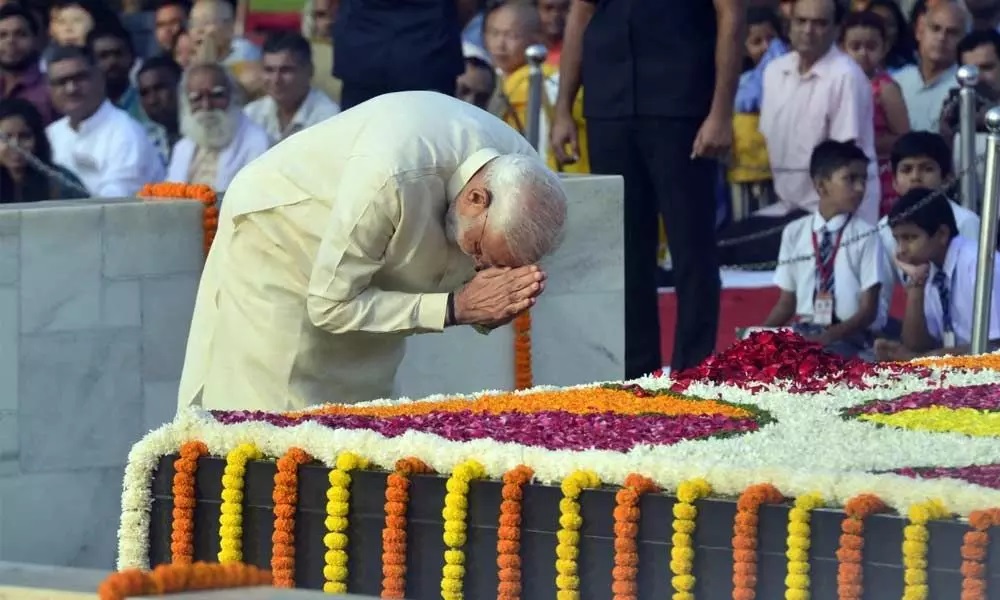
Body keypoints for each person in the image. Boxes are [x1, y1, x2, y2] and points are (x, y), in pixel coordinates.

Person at [176, 91, 567, 412]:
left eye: (497, 264)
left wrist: (495, 302)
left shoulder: (525, 175)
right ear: (476, 198)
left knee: (362, 415)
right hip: (284, 237)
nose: (479, 266)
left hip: (366, 267)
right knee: (277, 413)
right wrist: (454, 308)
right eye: (480, 252)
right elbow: (329, 306)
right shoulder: (391, 175)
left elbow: (471, 284)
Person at [551, 0, 743, 376]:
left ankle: (694, 370)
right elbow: (581, 13)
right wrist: (562, 110)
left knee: (691, 247)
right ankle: (636, 372)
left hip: (683, 104)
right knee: (623, 251)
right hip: (609, 105)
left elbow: (731, 13)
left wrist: (721, 112)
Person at [761, 140, 888, 358]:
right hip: (806, 330)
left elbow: (868, 311)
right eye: (850, 179)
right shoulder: (794, 232)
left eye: (863, 180)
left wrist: (828, 337)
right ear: (821, 185)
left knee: (819, 366)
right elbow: (786, 303)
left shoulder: (867, 234)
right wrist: (759, 335)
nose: (860, 188)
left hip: (851, 333)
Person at [875, 187, 1000, 360]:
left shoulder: (978, 264)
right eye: (897, 239)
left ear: (942, 234)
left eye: (910, 238)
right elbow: (918, 345)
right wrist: (916, 285)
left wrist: (928, 358)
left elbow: (995, 346)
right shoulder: (931, 266)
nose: (901, 250)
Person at [45, 45, 164, 197]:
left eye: (79, 78)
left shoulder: (125, 133)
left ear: (99, 78)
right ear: (49, 90)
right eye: (61, 82)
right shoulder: (51, 134)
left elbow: (113, 206)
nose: (71, 89)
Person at [876, 131, 980, 284]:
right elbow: (884, 292)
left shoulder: (966, 221)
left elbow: (975, 283)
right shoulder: (884, 227)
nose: (915, 177)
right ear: (894, 182)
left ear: (947, 179)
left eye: (927, 169)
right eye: (906, 169)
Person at [839, 10, 910, 216]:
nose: (863, 53)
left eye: (871, 47)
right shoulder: (839, 84)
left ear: (885, 47)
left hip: (880, 176)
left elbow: (904, 138)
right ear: (842, 48)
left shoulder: (886, 88)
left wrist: (867, 142)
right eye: (855, 47)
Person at [166, 61, 269, 191]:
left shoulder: (257, 143)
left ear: (232, 96)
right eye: (197, 98)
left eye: (216, 95)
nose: (207, 106)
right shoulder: (182, 148)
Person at [244, 32, 340, 145]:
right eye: (269, 70)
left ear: (309, 71)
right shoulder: (252, 113)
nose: (276, 80)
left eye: (286, 70)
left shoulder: (329, 118)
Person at [0, 97, 87, 202]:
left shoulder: (60, 183)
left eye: (24, 136)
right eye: (6, 137)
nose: (15, 145)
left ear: (38, 139)